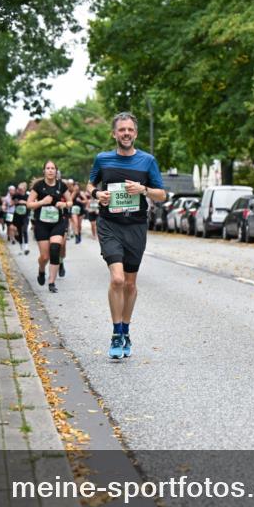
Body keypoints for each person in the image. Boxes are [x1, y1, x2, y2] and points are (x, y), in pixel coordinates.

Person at [87, 112, 166, 360]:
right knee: (118, 279)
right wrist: (95, 194)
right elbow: (90, 184)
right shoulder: (103, 159)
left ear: (136, 133)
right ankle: (115, 333)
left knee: (131, 284)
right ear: (114, 133)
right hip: (109, 224)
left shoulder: (147, 161)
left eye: (130, 130)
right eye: (122, 130)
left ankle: (126, 330)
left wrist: (143, 189)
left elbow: (162, 194)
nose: (126, 134)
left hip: (136, 227)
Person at [27, 161, 71, 293]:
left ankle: (51, 282)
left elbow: (70, 201)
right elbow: (29, 204)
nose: (50, 170)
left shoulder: (61, 185)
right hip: (41, 224)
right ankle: (41, 270)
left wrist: (64, 205)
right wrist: (42, 202)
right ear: (44, 171)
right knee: (44, 257)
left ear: (56, 171)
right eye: (48, 168)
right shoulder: (38, 186)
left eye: (53, 168)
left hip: (58, 222)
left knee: (55, 249)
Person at [12, 182, 30, 254]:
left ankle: (26, 247)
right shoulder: (16, 196)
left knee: (25, 230)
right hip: (17, 215)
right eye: (19, 189)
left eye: (21, 189)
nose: (20, 190)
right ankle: (21, 247)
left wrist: (25, 202)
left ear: (24, 189)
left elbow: (31, 204)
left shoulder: (28, 196)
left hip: (25, 215)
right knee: (19, 231)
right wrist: (15, 202)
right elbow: (11, 203)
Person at [70, 180, 85, 245]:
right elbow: (70, 200)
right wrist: (74, 192)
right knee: (75, 223)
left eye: (77, 186)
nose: (76, 187)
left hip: (81, 209)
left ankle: (79, 234)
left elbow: (86, 201)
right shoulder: (72, 193)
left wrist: (81, 201)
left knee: (79, 225)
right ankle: (76, 237)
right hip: (73, 209)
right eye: (75, 186)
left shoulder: (81, 193)